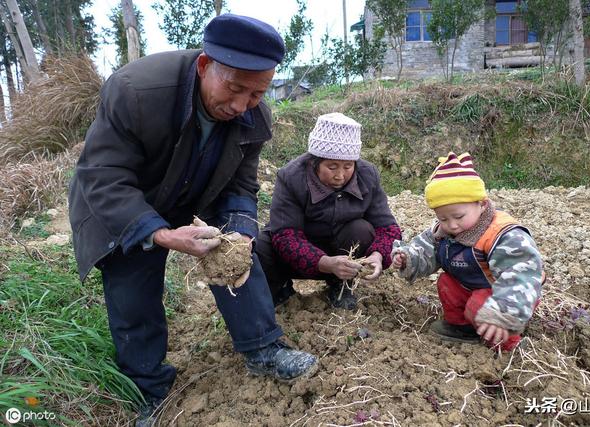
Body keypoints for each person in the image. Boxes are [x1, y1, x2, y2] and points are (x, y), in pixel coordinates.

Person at [68, 14, 317, 425]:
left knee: (235, 251)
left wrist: (240, 230)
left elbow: (241, 186)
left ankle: (262, 349)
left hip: (195, 188)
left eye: (257, 93)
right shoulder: (135, 91)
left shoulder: (255, 117)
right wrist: (161, 232)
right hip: (124, 198)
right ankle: (148, 389)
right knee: (133, 284)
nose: (241, 106)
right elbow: (103, 176)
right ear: (205, 66)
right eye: (234, 89)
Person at [391, 152, 544, 352]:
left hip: (506, 294)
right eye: (443, 219)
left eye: (458, 216)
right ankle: (461, 329)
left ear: (481, 204)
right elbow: (426, 248)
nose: (452, 225)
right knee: (447, 283)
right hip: (470, 286)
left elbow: (521, 275)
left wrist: (503, 311)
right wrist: (408, 258)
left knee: (478, 306)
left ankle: (506, 345)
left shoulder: (503, 234)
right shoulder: (443, 232)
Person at [256, 113, 402, 310]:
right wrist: (325, 262)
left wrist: (378, 255)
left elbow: (388, 228)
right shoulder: (291, 176)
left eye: (348, 167)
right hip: (299, 255)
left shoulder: (368, 175)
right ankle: (280, 288)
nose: (340, 176)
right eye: (332, 167)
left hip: (342, 252)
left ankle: (341, 285)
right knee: (262, 246)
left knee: (361, 229)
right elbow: (285, 236)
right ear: (314, 162)